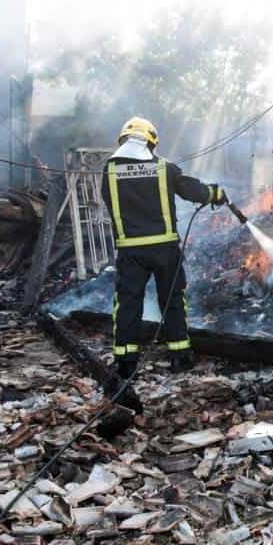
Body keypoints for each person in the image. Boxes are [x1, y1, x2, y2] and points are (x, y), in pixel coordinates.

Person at [100, 116, 228, 413]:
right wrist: (215, 193)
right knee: (172, 300)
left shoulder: (109, 171)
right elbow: (193, 191)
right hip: (164, 249)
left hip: (130, 250)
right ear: (151, 141)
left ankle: (126, 361)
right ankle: (180, 356)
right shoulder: (164, 168)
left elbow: (109, 200)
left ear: (124, 140)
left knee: (128, 303)